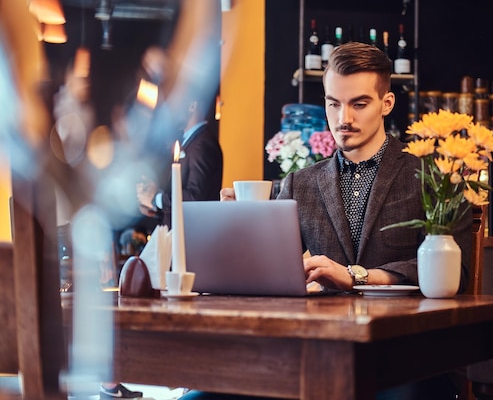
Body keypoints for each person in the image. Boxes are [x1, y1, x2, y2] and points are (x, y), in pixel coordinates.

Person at [203, 42, 472, 400]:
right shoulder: (301, 182)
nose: (343, 118)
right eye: (333, 103)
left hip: (410, 356)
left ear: (386, 104)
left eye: (359, 104)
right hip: (319, 352)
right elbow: (265, 272)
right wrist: (240, 227)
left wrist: (357, 277)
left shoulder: (434, 177)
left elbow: (459, 273)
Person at [136, 99, 224, 227]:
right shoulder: (192, 143)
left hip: (192, 238)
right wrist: (155, 206)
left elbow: (195, 198)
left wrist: (158, 198)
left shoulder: (202, 145)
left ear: (192, 105)